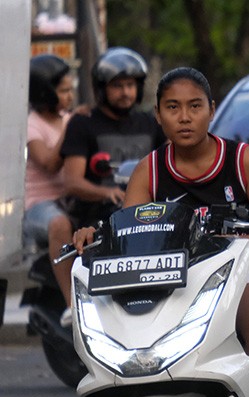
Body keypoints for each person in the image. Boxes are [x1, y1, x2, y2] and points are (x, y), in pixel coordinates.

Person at [73, 67, 249, 397]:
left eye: (194, 106)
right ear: (157, 114)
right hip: (173, 278)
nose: (184, 117)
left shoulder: (242, 160)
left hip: (245, 272)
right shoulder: (150, 169)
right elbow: (124, 231)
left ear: (212, 110)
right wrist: (95, 236)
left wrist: (234, 243)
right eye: (173, 107)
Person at [50, 47, 165, 326]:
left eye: (130, 85)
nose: (126, 92)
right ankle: (74, 306)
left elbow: (168, 167)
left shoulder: (150, 123)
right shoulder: (84, 123)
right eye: (117, 86)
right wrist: (107, 192)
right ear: (102, 89)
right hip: (95, 214)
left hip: (144, 214)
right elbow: (73, 180)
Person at [25, 54, 82, 250]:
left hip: (70, 199)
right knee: (60, 224)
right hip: (39, 206)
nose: (71, 96)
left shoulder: (67, 118)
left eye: (71, 89)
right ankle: (67, 281)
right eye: (64, 91)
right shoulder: (32, 124)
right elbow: (49, 164)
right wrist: (72, 127)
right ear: (44, 92)